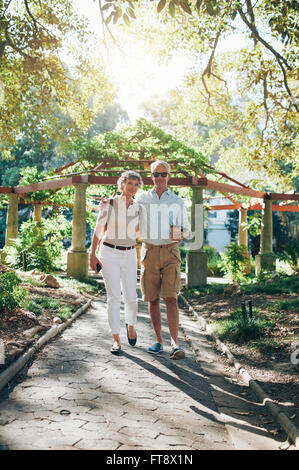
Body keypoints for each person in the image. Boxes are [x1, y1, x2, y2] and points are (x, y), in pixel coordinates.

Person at [136, 160, 190, 360]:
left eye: (163, 174)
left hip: (170, 252)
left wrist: (181, 234)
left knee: (171, 298)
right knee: (152, 298)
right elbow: (128, 215)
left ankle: (175, 344)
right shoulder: (141, 199)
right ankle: (159, 341)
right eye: (156, 174)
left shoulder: (177, 201)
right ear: (151, 176)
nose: (160, 178)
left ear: (169, 176)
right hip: (149, 251)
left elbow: (186, 228)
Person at [90, 170, 143, 355]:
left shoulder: (138, 208)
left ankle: (131, 324)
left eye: (136, 185)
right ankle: (115, 338)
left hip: (130, 254)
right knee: (114, 296)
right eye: (130, 183)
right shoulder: (110, 204)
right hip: (109, 252)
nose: (133, 187)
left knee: (132, 297)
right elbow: (98, 230)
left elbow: (139, 234)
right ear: (122, 184)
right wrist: (92, 254)